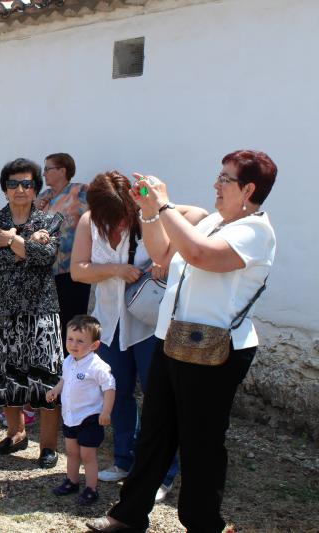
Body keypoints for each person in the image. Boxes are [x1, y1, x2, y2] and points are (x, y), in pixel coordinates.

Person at [87, 150, 278, 533]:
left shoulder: (255, 231)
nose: (216, 184)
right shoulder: (211, 221)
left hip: (215, 350)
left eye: (225, 179)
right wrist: (149, 211)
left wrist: (165, 204)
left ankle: (202, 523)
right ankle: (127, 517)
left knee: (200, 441)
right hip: (172, 341)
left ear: (249, 189)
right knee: (155, 432)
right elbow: (161, 251)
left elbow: (198, 254)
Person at [71, 171, 207, 501]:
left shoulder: (147, 214)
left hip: (149, 325)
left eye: (122, 214)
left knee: (158, 399)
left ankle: (164, 471)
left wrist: (169, 256)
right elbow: (78, 270)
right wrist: (116, 270)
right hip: (109, 323)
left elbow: (199, 215)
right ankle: (124, 460)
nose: (118, 222)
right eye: (111, 216)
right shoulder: (89, 221)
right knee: (115, 394)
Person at [0, 158, 64, 466]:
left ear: (35, 188)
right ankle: (16, 433)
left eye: (26, 183)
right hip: (0, 308)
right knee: (4, 376)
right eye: (13, 184)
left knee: (45, 382)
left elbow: (45, 259)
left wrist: (11, 240)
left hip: (40, 310)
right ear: (5, 189)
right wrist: (26, 246)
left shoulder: (50, 221)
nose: (20, 189)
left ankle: (48, 447)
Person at [47, 315, 116, 506]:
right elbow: (64, 380)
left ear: (94, 345)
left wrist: (106, 412)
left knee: (87, 455)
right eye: (70, 339)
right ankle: (72, 481)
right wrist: (55, 390)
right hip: (70, 417)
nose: (73, 344)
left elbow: (110, 388)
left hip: (89, 418)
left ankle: (91, 489)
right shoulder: (68, 360)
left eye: (80, 341)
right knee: (71, 451)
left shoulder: (97, 366)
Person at [36, 153, 91, 333]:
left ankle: (71, 360)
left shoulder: (80, 192)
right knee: (47, 326)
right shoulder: (43, 196)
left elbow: (97, 219)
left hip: (72, 272)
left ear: (62, 170)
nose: (43, 173)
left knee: (71, 324)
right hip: (45, 272)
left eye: (48, 169)